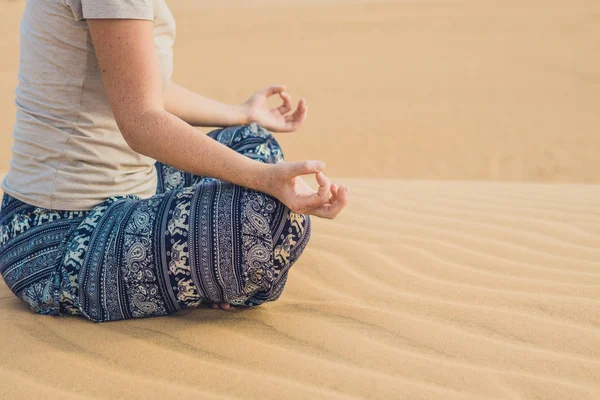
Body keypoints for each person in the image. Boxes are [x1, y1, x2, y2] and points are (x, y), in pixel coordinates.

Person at [0, 0, 348, 322]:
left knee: (252, 141)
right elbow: (141, 120)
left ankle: (211, 273)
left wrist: (243, 114)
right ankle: (216, 276)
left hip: (133, 192)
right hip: (57, 238)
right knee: (268, 217)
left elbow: (146, 88)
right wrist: (264, 178)